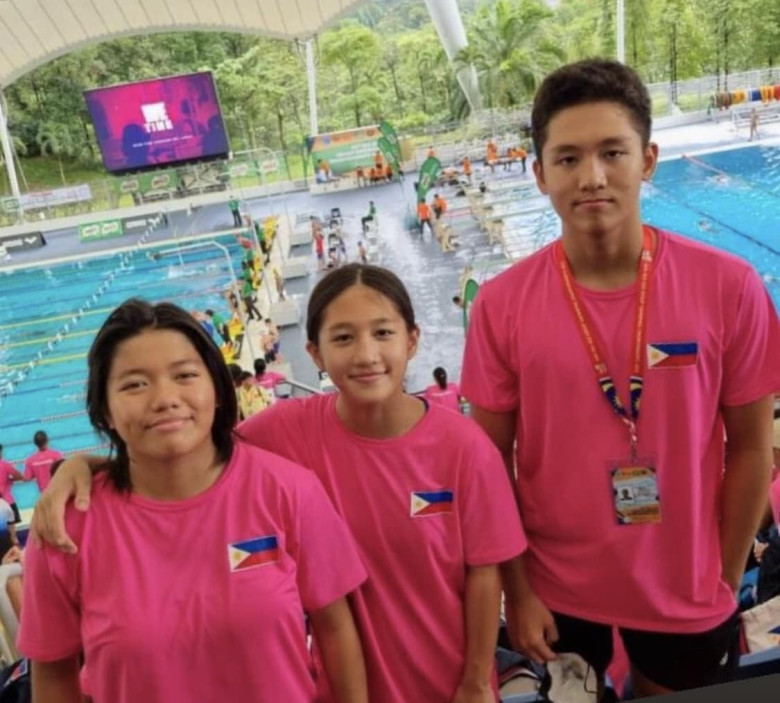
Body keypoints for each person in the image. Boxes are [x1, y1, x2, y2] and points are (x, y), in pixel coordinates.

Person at [33, 266, 527, 703]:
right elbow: (185, 451)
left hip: (449, 683)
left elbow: (485, 568)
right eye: (135, 384)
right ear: (314, 352)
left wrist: (477, 680)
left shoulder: (458, 448)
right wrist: (86, 467)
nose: (366, 354)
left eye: (382, 333)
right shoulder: (283, 434)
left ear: (412, 340)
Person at [461, 58, 779, 697]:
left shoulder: (729, 286)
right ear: (539, 174)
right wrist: (518, 591)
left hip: (688, 586)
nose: (592, 177)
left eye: (612, 152)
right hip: (556, 589)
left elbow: (751, 446)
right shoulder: (501, 305)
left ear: (648, 160)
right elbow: (488, 467)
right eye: (568, 158)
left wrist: (721, 575)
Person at [19, 299, 369, 703]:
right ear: (105, 411)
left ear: (217, 390)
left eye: (184, 375)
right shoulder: (65, 528)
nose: (165, 398)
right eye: (134, 384)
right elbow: (53, 673)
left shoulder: (287, 491)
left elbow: (336, 630)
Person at [0, 445, 24, 524]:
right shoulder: (5, 464)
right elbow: (19, 476)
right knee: (12, 528)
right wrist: (10, 479)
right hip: (7, 501)